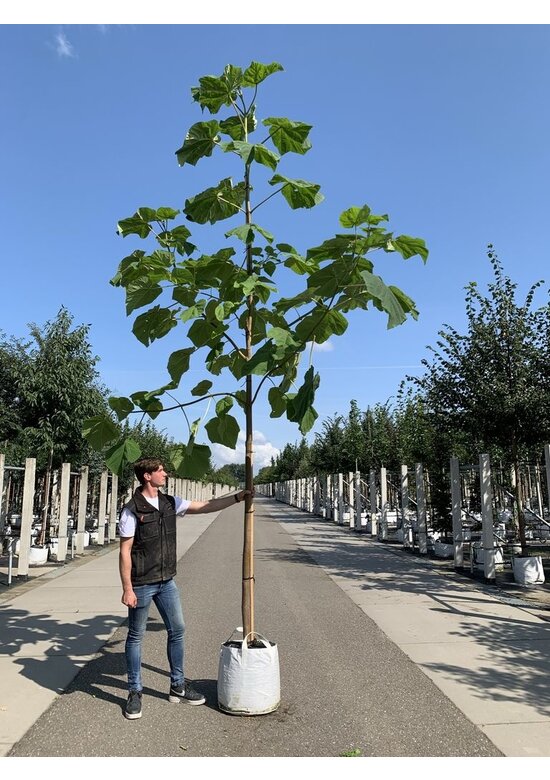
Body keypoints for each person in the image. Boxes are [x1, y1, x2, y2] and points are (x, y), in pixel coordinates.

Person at [118, 457, 250, 720]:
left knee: (177, 629)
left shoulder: (169, 503)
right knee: (136, 636)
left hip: (167, 581)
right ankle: (134, 691)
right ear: (147, 476)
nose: (165, 474)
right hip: (142, 583)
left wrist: (237, 498)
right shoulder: (132, 510)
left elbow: (204, 506)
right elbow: (124, 552)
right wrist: (127, 589)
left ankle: (177, 685)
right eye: (160, 471)